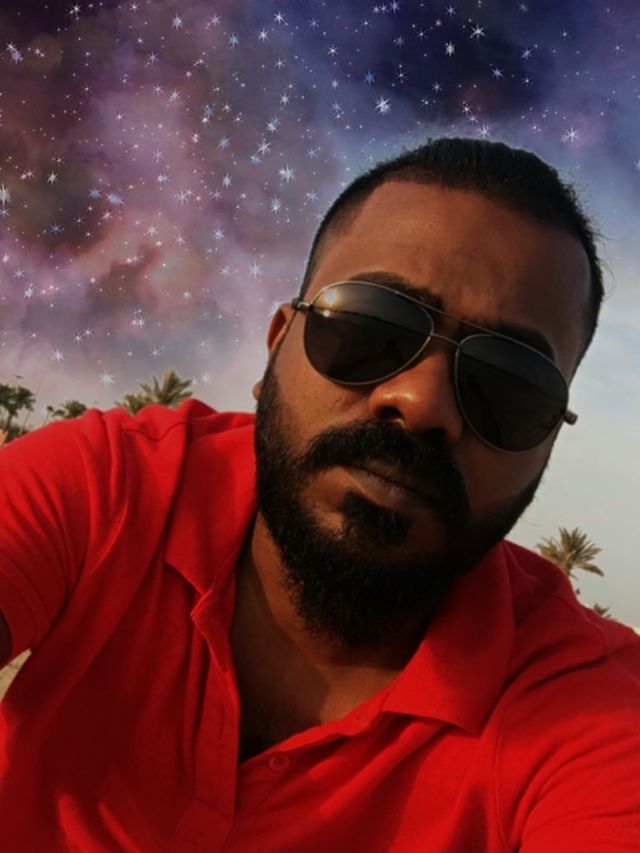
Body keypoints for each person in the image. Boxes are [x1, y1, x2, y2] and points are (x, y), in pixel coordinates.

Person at [0, 138, 638, 852]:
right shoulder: (114, 487)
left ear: (550, 439)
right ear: (278, 343)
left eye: (510, 385)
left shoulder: (588, 705)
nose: (421, 403)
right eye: (372, 327)